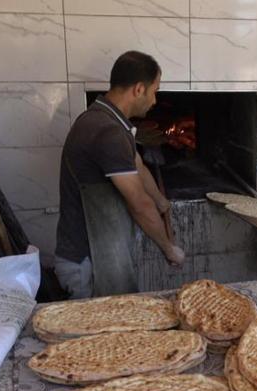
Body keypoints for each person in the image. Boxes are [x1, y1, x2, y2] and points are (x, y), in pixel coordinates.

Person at [54, 51, 184, 299]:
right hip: (87, 264)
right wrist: (169, 249)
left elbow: (138, 165)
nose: (155, 100)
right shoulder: (108, 132)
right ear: (138, 89)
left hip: (97, 255)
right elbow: (138, 204)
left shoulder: (107, 120)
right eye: (154, 91)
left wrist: (161, 201)